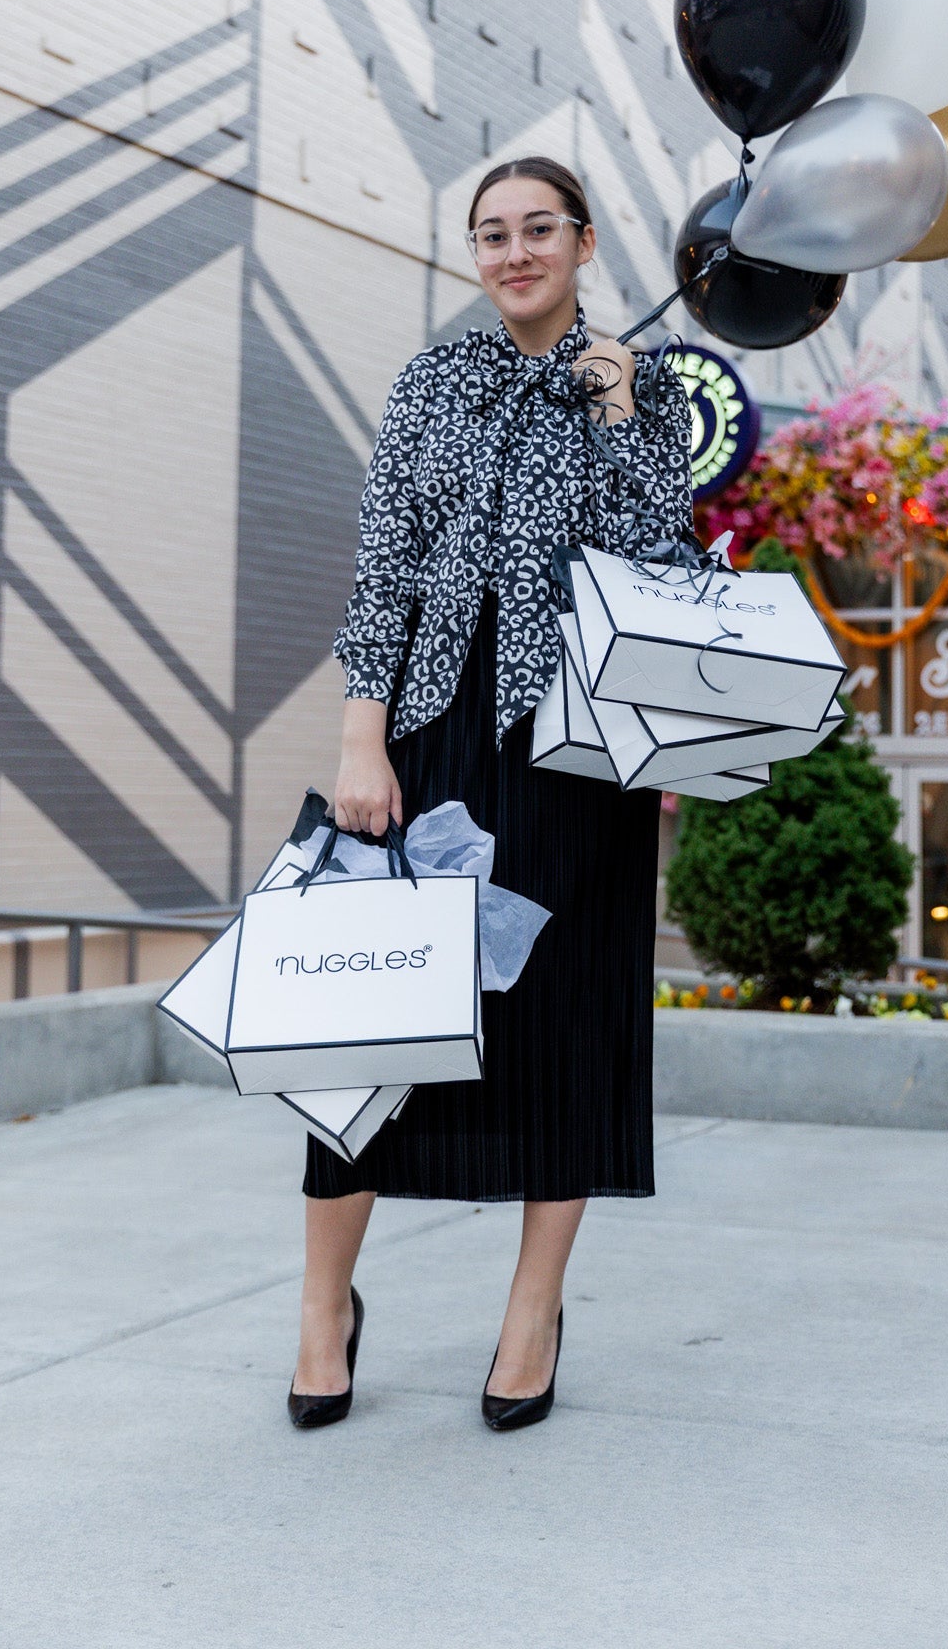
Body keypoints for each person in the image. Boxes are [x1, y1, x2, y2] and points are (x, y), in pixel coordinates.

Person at [288, 156, 693, 1433]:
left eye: (537, 230)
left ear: (583, 243)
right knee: (372, 1022)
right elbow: (385, 568)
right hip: (439, 725)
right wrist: (362, 740)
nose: (514, 252)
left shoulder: (642, 384)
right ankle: (323, 1306)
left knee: (567, 1017)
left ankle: (532, 1313)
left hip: (581, 744)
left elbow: (666, 563)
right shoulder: (435, 380)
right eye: (491, 234)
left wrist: (619, 415)